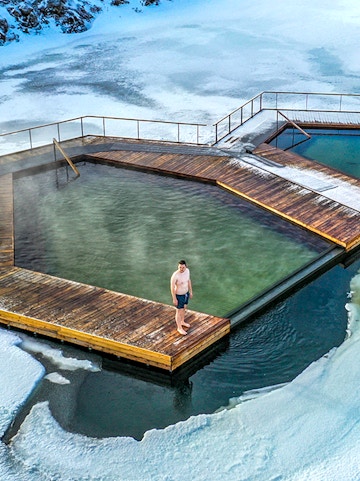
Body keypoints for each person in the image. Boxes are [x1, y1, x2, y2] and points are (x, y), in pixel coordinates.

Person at [170, 260, 193, 335]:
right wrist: (174, 298)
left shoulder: (187, 271)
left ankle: (182, 321)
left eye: (183, 267)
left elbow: (188, 281)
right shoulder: (175, 275)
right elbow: (172, 287)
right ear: (178, 266)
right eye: (180, 267)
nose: (181, 269)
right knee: (178, 311)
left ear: (186, 266)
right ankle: (179, 327)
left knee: (184, 307)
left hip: (185, 293)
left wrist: (190, 291)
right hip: (179, 295)